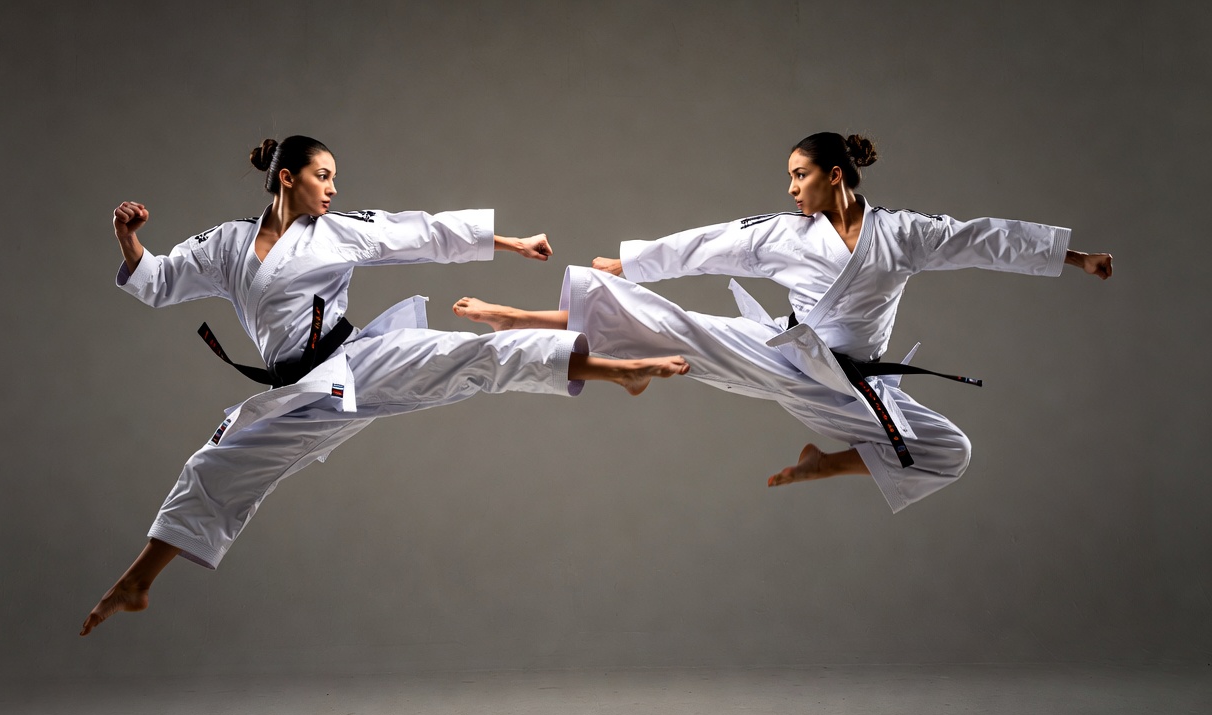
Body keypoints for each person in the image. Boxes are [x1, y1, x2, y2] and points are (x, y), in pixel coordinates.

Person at [80, 135, 689, 636]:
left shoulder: (337, 231)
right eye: (324, 175)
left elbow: (419, 232)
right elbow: (160, 279)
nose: (334, 188)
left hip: (357, 360)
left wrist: (510, 241)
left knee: (470, 357)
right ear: (287, 178)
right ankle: (136, 582)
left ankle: (615, 370)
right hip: (298, 395)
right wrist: (129, 242)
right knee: (210, 468)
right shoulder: (228, 244)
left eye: (335, 178)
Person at [454, 132, 1113, 514]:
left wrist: (1075, 256)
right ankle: (523, 320)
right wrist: (630, 262)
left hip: (854, 387)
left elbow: (980, 239)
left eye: (800, 176)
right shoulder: (785, 234)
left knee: (950, 452)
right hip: (786, 352)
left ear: (836, 176)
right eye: (788, 178)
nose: (791, 189)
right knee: (680, 327)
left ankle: (825, 465)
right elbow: (709, 244)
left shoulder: (902, 234)